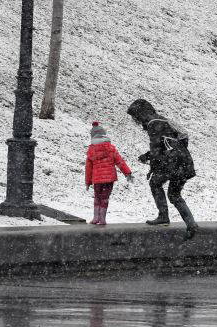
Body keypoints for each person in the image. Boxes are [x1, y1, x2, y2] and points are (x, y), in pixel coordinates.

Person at [126, 98, 199, 239]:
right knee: (174, 194)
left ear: (141, 114)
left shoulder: (153, 123)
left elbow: (156, 149)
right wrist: (149, 156)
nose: (136, 120)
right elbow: (175, 141)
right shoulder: (164, 120)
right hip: (184, 161)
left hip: (172, 163)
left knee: (154, 183)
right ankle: (191, 224)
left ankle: (163, 216)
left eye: (135, 116)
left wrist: (152, 165)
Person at [84, 121, 132, 226]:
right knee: (105, 198)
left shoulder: (91, 150)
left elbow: (88, 168)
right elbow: (120, 162)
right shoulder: (111, 148)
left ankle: (95, 218)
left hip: (97, 179)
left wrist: (88, 182)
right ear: (103, 134)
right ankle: (102, 219)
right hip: (109, 179)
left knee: (97, 197)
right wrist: (127, 173)